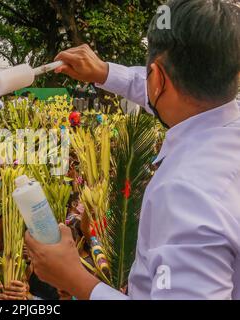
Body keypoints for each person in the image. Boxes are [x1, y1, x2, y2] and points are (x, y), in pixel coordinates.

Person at [25, 0, 240, 300]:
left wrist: (76, 280)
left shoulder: (186, 193)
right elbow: (164, 93)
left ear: (159, 77)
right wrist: (103, 72)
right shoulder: (226, 122)